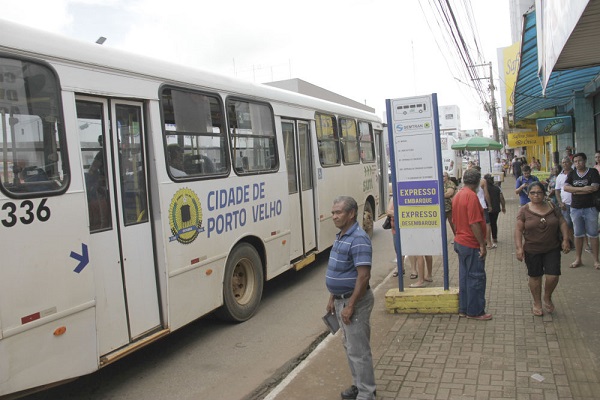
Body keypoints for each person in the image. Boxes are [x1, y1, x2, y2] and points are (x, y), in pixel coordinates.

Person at [325, 196, 376, 400]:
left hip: (355, 303)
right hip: (341, 300)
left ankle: (366, 394)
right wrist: (332, 298)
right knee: (350, 348)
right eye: (333, 213)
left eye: (338, 213)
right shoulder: (342, 235)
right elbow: (338, 270)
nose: (334, 216)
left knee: (359, 351)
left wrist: (350, 305)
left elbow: (363, 277)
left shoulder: (358, 238)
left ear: (351, 213)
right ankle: (358, 385)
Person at [514, 181, 570, 316]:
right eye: (532, 193)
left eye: (539, 192)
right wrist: (519, 248)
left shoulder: (552, 206)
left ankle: (547, 297)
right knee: (535, 277)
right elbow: (518, 229)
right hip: (532, 249)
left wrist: (566, 239)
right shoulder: (524, 210)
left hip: (552, 248)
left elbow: (562, 222)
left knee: (553, 276)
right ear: (528, 195)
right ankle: (537, 302)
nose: (536, 195)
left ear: (544, 194)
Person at [452, 168, 492, 320]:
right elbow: (475, 223)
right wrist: (482, 244)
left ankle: (464, 308)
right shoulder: (472, 197)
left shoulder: (458, 195)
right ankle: (475, 311)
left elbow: (454, 221)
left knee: (465, 277)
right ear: (477, 182)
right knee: (476, 277)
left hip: (460, 241)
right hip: (470, 243)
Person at [563, 152, 600, 269]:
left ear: (585, 161)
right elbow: (565, 187)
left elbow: (594, 188)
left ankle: (596, 260)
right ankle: (578, 259)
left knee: (593, 234)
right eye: (575, 161)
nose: (577, 163)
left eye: (580, 161)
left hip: (591, 208)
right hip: (576, 208)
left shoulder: (593, 172)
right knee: (578, 234)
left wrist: (574, 190)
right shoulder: (572, 173)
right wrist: (584, 188)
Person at [555, 157, 575, 249]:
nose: (565, 164)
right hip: (565, 204)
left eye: (566, 162)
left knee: (579, 224)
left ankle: (586, 244)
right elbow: (557, 191)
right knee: (568, 224)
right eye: (563, 162)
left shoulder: (576, 173)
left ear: (570, 163)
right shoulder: (560, 176)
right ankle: (572, 242)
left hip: (577, 203)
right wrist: (560, 203)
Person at [485, 174, 505, 247]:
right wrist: (503, 207)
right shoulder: (497, 188)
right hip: (496, 208)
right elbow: (501, 198)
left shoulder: (484, 189)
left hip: (486, 209)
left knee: (487, 224)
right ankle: (495, 238)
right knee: (494, 223)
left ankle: (487, 239)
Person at [443, 172, 457, 241]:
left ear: (447, 177)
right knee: (441, 223)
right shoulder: (440, 183)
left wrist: (438, 195)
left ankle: (457, 237)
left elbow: (449, 193)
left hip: (450, 207)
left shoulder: (450, 183)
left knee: (452, 223)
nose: (442, 177)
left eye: (444, 176)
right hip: (442, 208)